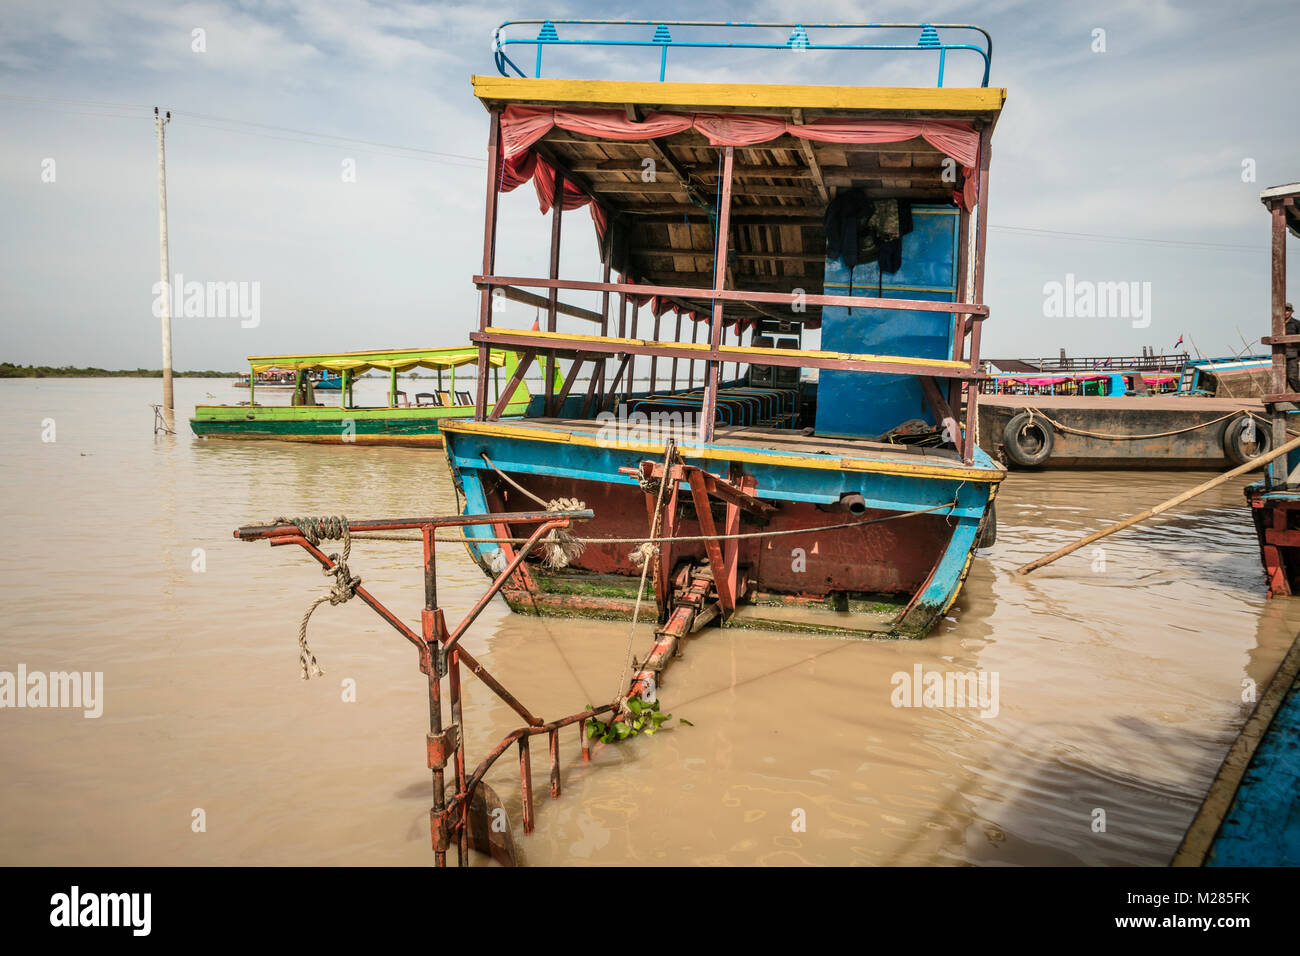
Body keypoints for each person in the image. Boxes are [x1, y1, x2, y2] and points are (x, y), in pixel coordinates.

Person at [1286, 302, 1298, 393]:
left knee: (1292, 377)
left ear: (1292, 312)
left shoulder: (1296, 324)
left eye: (1288, 310)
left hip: (1293, 355)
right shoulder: (1277, 323)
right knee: (1281, 379)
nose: (1286, 312)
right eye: (1284, 310)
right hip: (1279, 355)